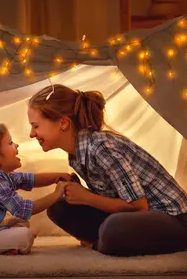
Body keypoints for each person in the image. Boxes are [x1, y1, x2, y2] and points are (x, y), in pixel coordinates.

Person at [27, 84, 187, 256]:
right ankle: (104, 242)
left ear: (63, 123)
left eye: (35, 126)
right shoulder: (76, 155)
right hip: (137, 217)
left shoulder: (102, 147)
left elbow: (139, 206)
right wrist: (77, 193)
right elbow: (112, 198)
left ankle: (102, 243)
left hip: (173, 219)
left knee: (113, 229)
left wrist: (87, 197)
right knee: (58, 208)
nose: (31, 134)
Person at [0, 123, 70, 255]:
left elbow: (30, 179)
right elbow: (23, 209)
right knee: (25, 236)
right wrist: (57, 194)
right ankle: (6, 247)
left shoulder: (1, 176)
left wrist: (57, 176)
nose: (16, 145)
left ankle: (8, 246)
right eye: (10, 143)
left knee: (21, 222)